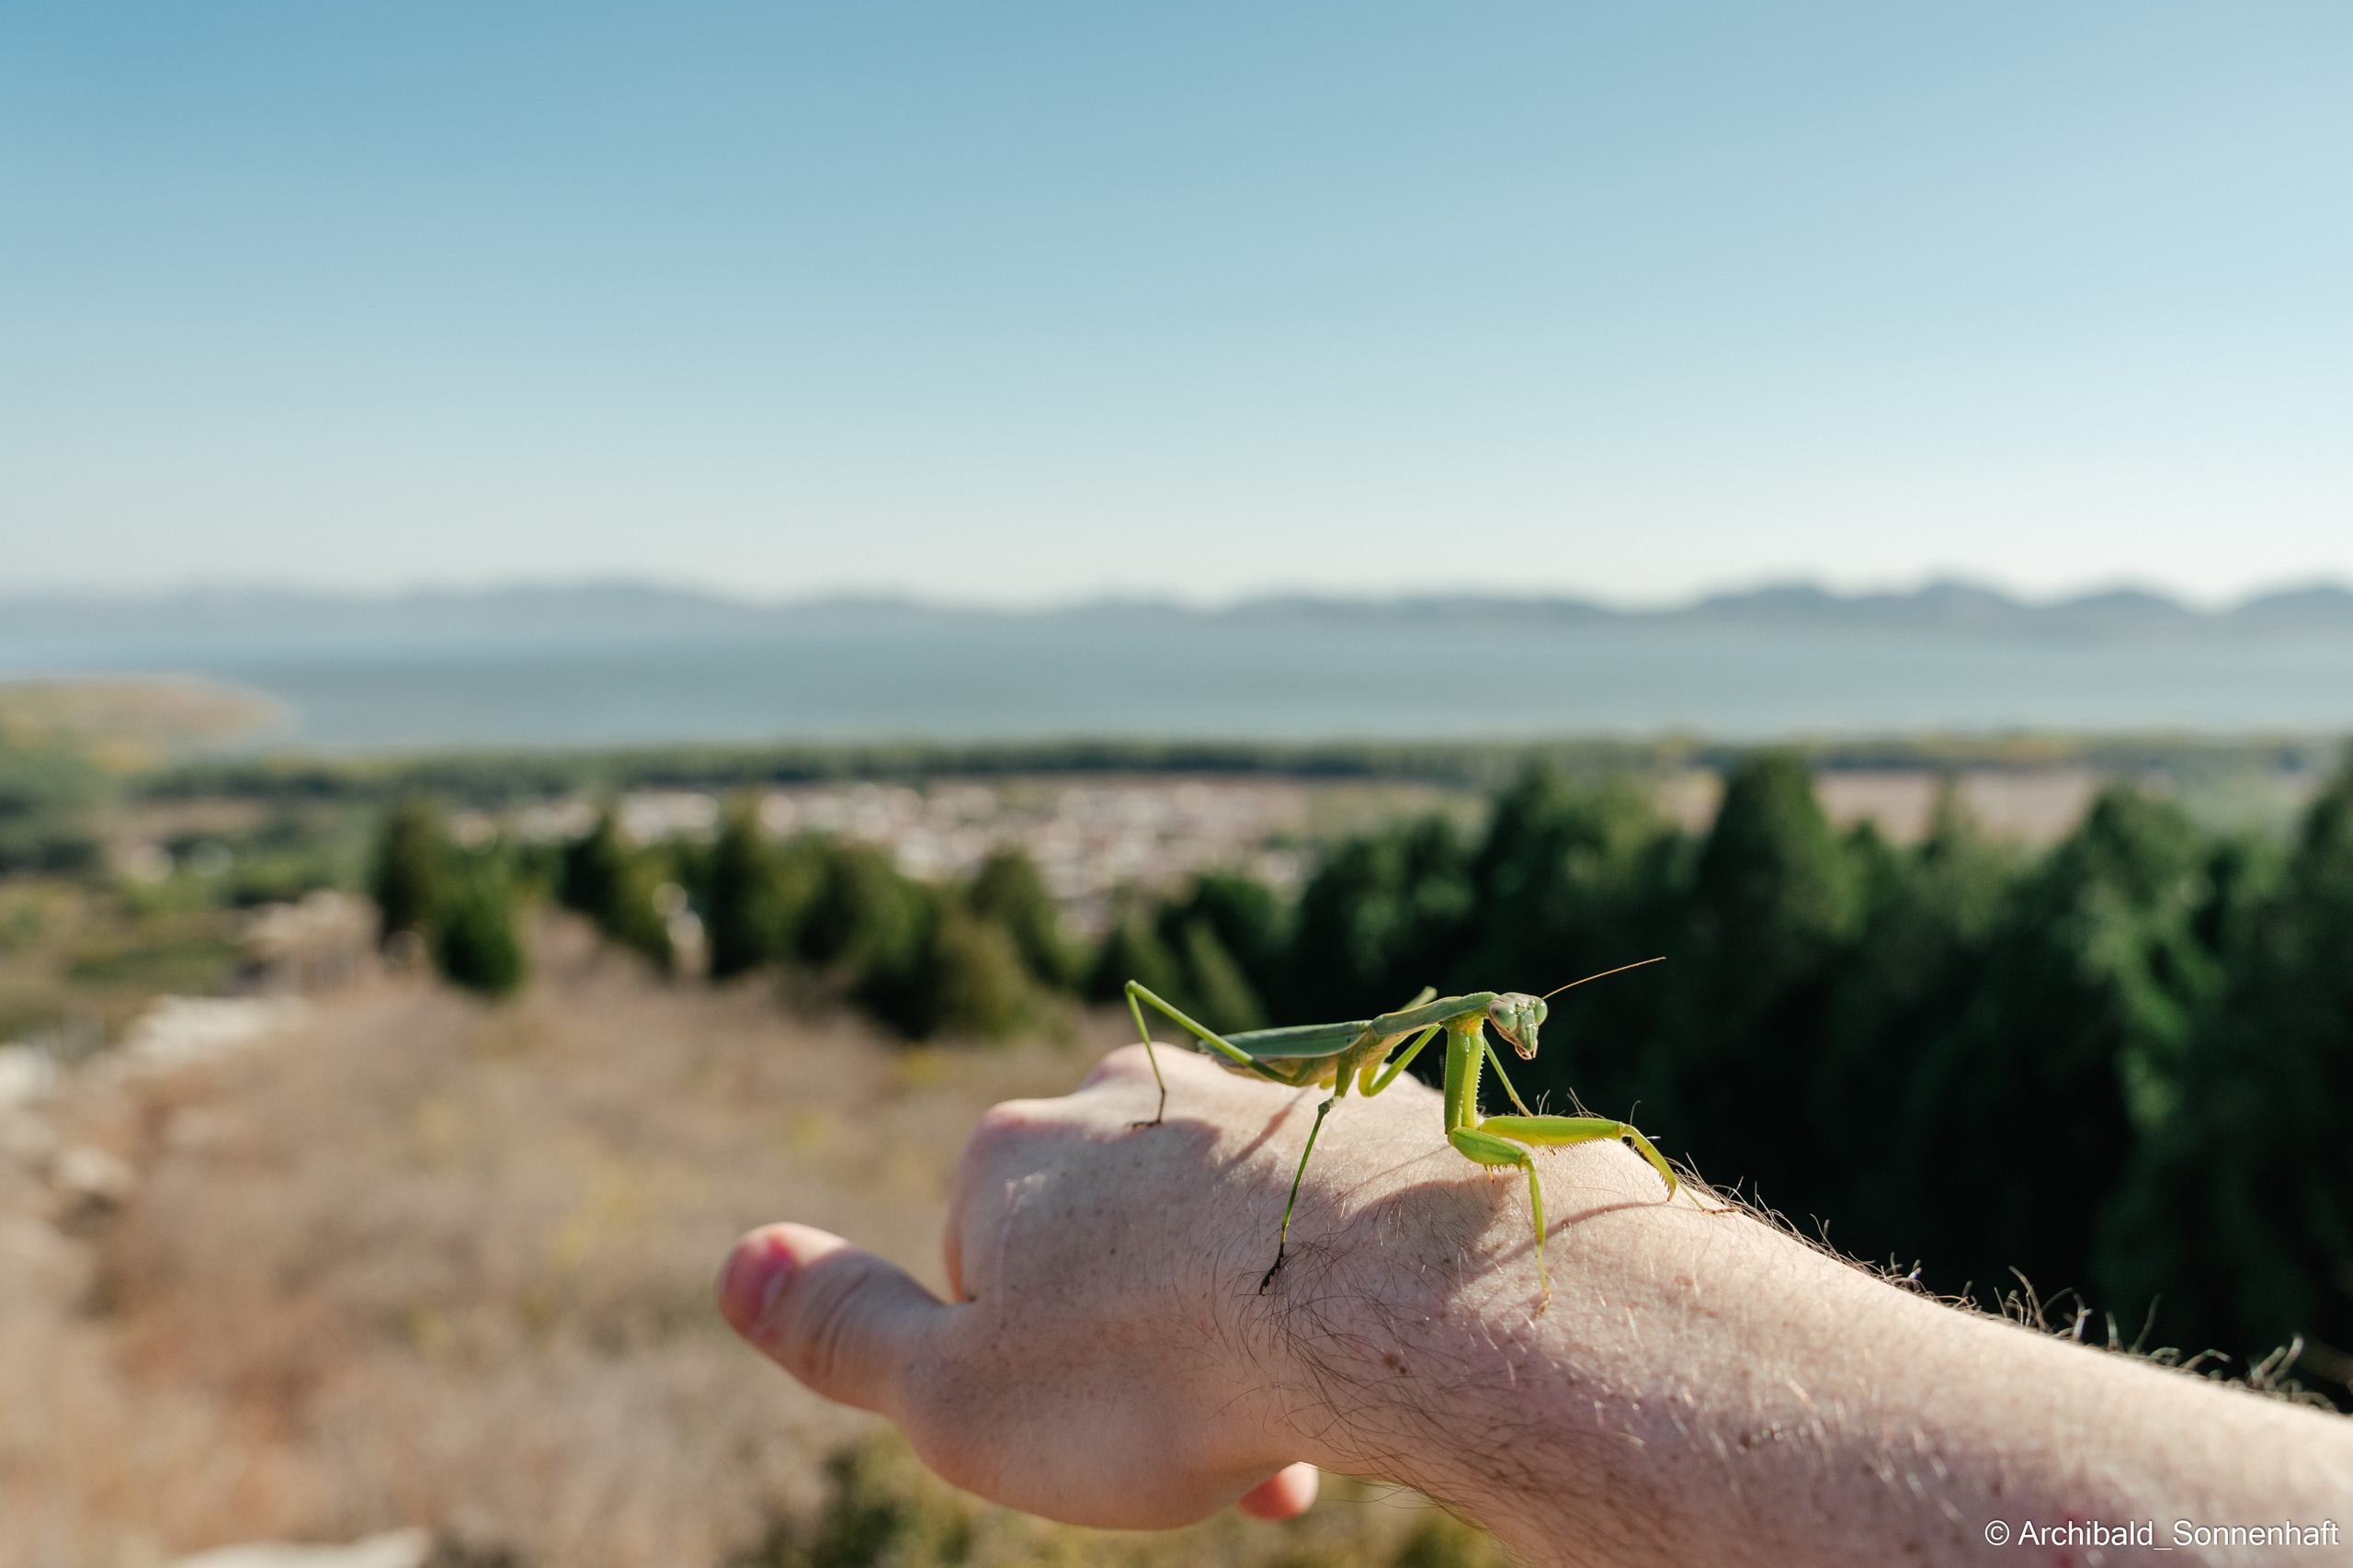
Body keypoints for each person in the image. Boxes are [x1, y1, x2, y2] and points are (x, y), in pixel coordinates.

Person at [717, 1042, 2352, 1566]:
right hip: (1296, 1107)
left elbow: (1467, 1121)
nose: (1509, 1023)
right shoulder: (1409, 1056)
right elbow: (1384, 1123)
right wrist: (1289, 1239)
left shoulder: (1470, 1063)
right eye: (1495, 1017)